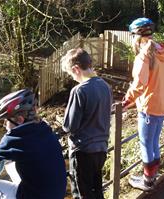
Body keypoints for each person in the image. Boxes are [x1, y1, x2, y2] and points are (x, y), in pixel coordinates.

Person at [0, 88, 67, 199]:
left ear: (19, 119)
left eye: (6, 120)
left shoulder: (13, 138)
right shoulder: (44, 127)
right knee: (9, 165)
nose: (4, 125)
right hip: (57, 194)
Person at [122, 17, 164, 191]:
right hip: (163, 105)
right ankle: (151, 176)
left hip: (149, 107)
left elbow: (139, 83)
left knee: (146, 143)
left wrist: (127, 100)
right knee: (154, 142)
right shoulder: (161, 52)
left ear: (136, 37)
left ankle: (147, 182)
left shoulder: (143, 56)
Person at [61, 48, 112, 199]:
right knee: (97, 190)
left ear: (76, 69)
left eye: (70, 73)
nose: (72, 77)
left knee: (82, 194)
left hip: (83, 150)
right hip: (101, 148)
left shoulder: (79, 90)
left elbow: (69, 126)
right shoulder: (104, 85)